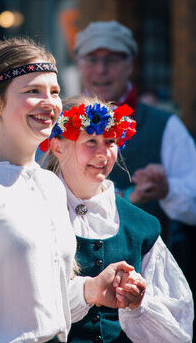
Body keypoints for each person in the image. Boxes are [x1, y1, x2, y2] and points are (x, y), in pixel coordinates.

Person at [0, 37, 141, 343]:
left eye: (54, 92)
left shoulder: (50, 185)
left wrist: (93, 289)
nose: (49, 102)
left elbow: (42, 305)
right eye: (33, 91)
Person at [73, 21, 196, 334]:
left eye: (112, 59)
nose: (101, 69)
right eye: (92, 59)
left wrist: (167, 190)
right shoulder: (59, 127)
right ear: (78, 62)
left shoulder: (164, 125)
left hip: (150, 292)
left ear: (130, 64)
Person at [41, 95, 194, 343]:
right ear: (57, 147)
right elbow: (19, 301)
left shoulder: (140, 225)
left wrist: (139, 305)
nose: (103, 153)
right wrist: (88, 291)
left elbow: (176, 326)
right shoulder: (35, 211)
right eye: (91, 140)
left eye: (110, 141)